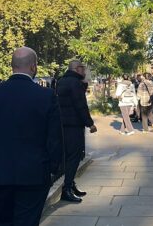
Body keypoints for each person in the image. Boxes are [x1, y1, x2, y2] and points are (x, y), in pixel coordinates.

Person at [0, 47, 63, 226]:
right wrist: (53, 167)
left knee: (0, 221)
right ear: (33, 67)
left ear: (12, 66)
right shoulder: (46, 96)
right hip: (33, 173)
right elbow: (54, 138)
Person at [56, 60, 97, 203]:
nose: (85, 71)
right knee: (74, 157)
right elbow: (80, 105)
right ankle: (66, 189)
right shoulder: (74, 83)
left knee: (68, 157)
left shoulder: (62, 81)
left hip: (64, 125)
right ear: (76, 68)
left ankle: (70, 184)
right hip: (74, 125)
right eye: (83, 68)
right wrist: (90, 124)